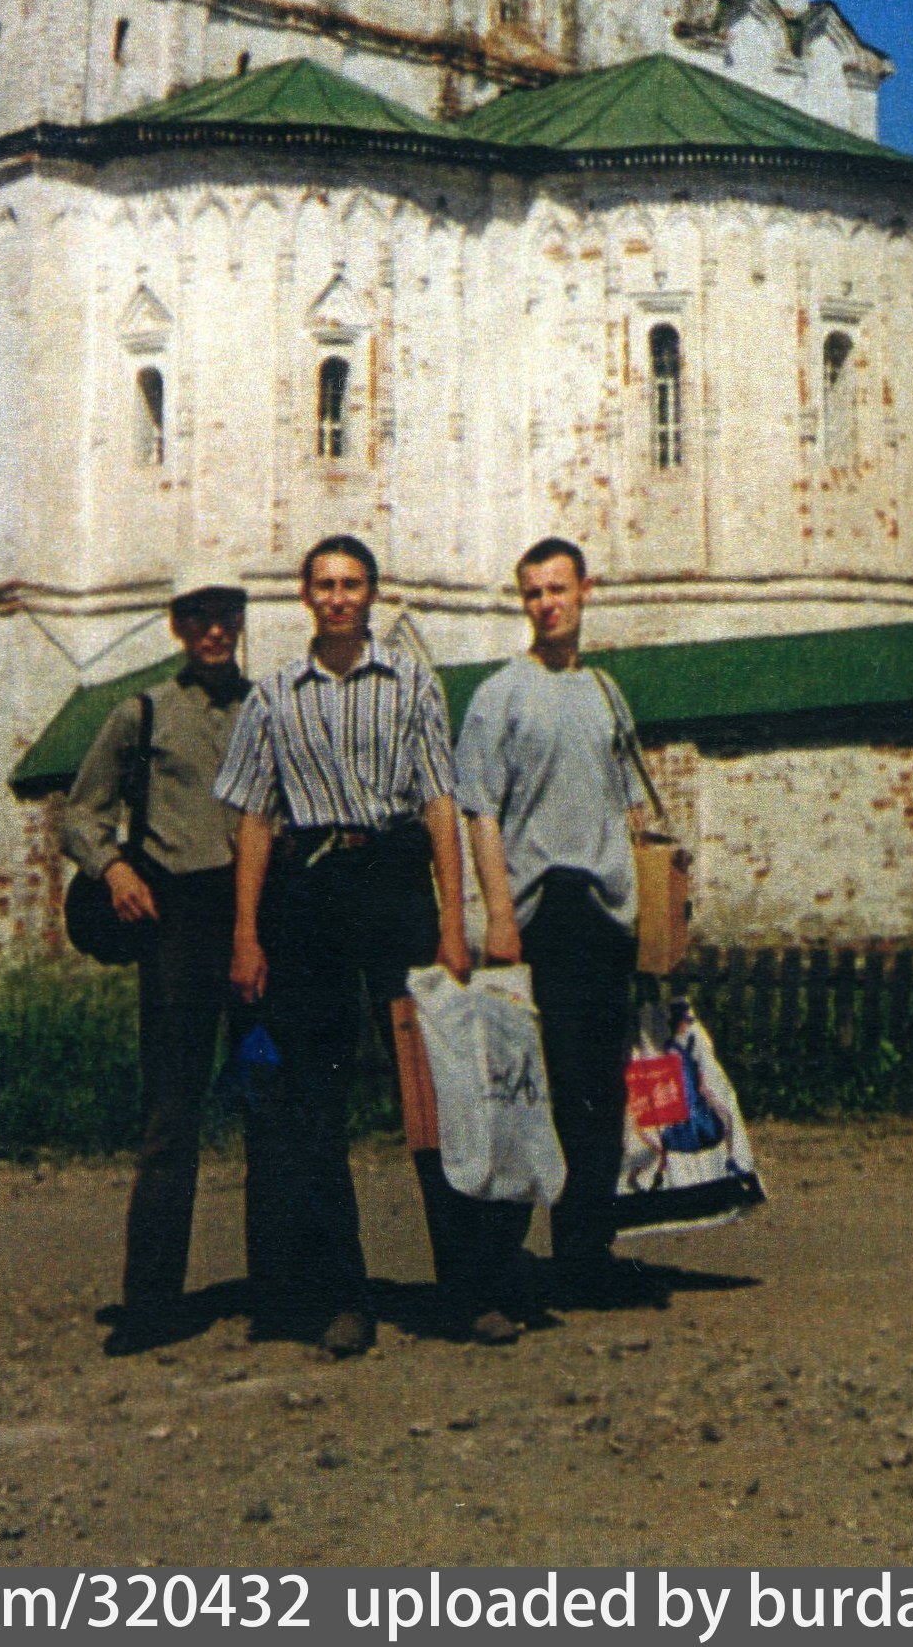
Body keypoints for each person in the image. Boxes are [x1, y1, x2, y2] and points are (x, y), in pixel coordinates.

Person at [216, 533, 488, 1356]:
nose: (338, 598)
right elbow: (254, 819)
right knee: (316, 1104)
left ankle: (467, 1291)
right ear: (305, 597)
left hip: (393, 888)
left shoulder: (411, 683)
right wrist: (246, 932)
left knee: (429, 1091)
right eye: (325, 585)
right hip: (308, 903)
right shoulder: (273, 696)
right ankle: (345, 1296)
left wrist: (451, 919)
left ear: (373, 595)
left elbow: (439, 800)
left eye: (352, 584)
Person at [456, 537, 664, 1311]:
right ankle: (499, 1267)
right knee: (525, 1087)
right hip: (538, 913)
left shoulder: (606, 693)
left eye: (558, 590)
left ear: (585, 592)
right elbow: (479, 808)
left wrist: (651, 894)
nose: (547, 605)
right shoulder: (499, 695)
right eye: (533, 594)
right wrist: (499, 914)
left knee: (598, 1091)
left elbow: (632, 801)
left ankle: (585, 1251)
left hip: (605, 909)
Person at [61, 574, 263, 1357]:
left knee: (266, 1094)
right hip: (177, 922)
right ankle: (151, 1300)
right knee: (173, 1111)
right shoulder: (142, 713)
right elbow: (82, 811)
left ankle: (278, 1284)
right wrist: (113, 870)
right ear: (178, 626)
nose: (215, 631)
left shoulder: (265, 708)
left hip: (252, 923)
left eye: (227, 617)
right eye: (200, 617)